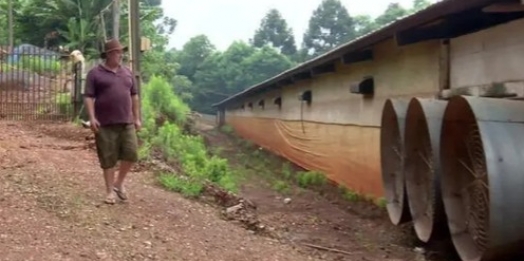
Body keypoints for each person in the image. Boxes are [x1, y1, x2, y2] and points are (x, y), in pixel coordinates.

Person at [84, 38, 141, 204]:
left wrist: (137, 118)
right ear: (108, 54)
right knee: (108, 158)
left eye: (121, 52)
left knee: (131, 154)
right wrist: (92, 118)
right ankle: (109, 191)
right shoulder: (95, 73)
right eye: (117, 52)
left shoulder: (127, 73)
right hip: (105, 123)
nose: (120, 55)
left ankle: (119, 183)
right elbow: (88, 97)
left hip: (126, 121)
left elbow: (134, 96)